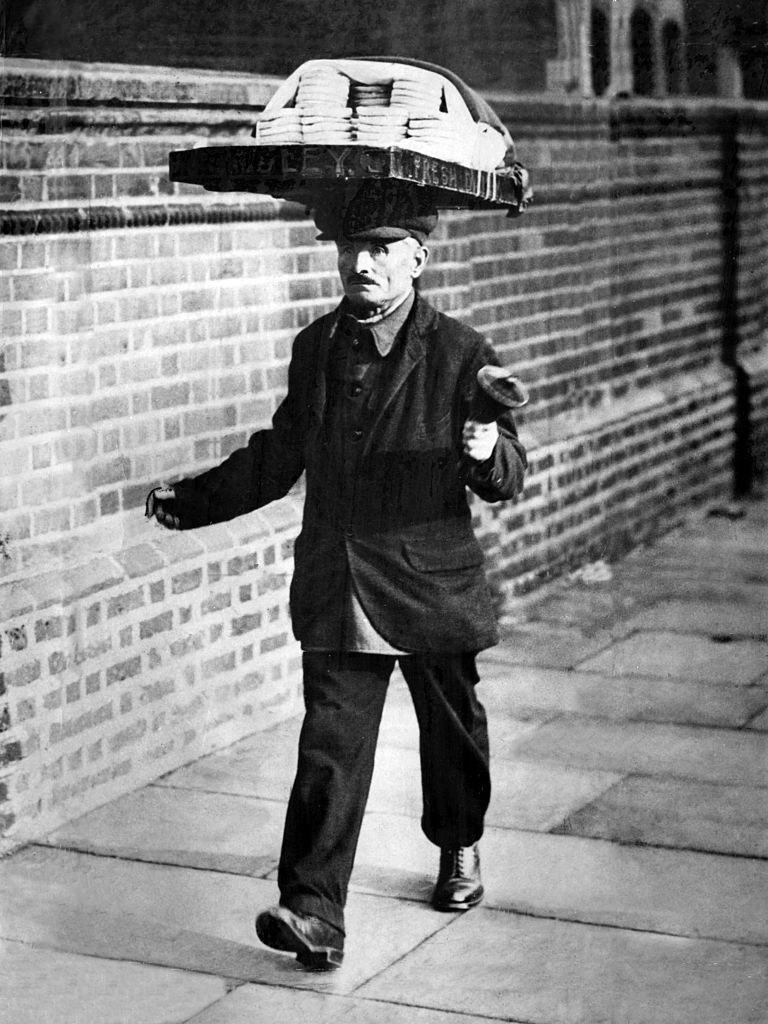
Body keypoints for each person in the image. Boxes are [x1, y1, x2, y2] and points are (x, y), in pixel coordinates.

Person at [146, 180, 527, 970]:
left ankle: (458, 844)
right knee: (330, 748)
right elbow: (280, 455)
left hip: (429, 582)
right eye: (352, 248)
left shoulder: (461, 352)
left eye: (383, 248)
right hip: (339, 580)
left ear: (417, 258)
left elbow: (507, 475)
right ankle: (312, 911)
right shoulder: (316, 347)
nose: (364, 263)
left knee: (452, 734)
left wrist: (485, 449)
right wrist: (193, 502)